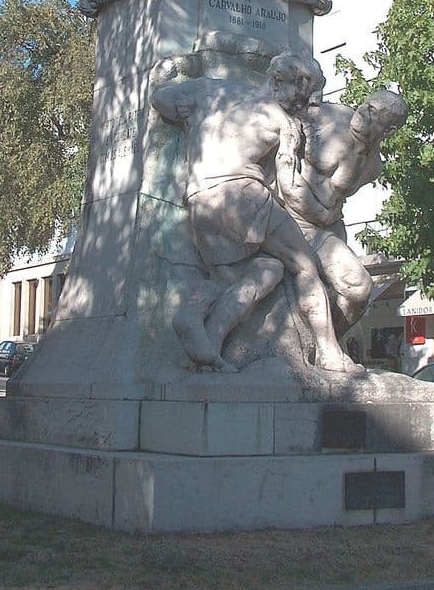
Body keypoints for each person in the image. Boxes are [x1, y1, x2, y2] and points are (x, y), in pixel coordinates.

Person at [151, 52, 353, 373]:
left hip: (200, 200)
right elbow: (288, 188)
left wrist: (191, 122)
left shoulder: (212, 90)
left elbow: (161, 99)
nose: (306, 105)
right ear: (277, 84)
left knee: (259, 271)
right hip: (242, 195)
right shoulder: (282, 123)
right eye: (302, 96)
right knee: (305, 267)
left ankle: (202, 327)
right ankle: (329, 353)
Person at [278, 89, 409, 336]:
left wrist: (329, 220)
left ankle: (326, 343)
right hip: (290, 217)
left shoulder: (373, 167)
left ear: (388, 131)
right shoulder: (324, 117)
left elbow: (334, 201)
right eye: (366, 105)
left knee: (359, 291)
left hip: (326, 231)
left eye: (374, 113)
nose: (362, 113)